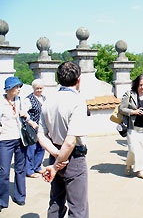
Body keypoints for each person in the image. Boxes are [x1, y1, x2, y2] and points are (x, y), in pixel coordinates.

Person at [37, 61, 89, 217]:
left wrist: (55, 157)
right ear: (78, 79)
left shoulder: (48, 101)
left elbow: (40, 134)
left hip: (55, 154)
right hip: (73, 158)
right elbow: (71, 141)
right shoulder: (78, 101)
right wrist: (58, 162)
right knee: (78, 207)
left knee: (56, 202)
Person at [119, 74, 143, 180]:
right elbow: (121, 108)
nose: (142, 87)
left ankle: (140, 170)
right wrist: (133, 111)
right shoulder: (129, 94)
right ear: (136, 84)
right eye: (140, 85)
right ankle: (128, 164)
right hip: (133, 127)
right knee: (133, 150)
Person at [0, 77, 28, 211]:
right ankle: (2, 200)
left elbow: (26, 117)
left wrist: (25, 115)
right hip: (5, 140)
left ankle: (20, 196)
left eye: (19, 87)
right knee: (4, 171)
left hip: (20, 139)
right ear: (9, 89)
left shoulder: (20, 100)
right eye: (16, 87)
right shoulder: (1, 102)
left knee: (20, 169)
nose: (18, 89)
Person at [23, 79, 46, 178]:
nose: (39, 90)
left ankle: (37, 166)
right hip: (32, 127)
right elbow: (24, 113)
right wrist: (30, 122)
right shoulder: (28, 99)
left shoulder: (44, 98)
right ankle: (29, 170)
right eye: (37, 88)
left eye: (41, 88)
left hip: (42, 127)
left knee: (41, 147)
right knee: (31, 149)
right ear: (33, 88)